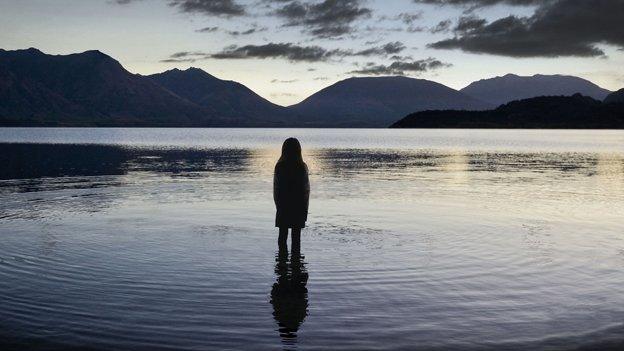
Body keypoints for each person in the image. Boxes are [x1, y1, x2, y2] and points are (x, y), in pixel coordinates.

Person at [273, 138, 310, 253]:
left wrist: (278, 207)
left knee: (282, 237)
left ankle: (281, 266)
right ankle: (296, 267)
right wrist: (305, 211)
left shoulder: (280, 166)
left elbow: (276, 189)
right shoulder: (301, 166)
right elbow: (305, 190)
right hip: (298, 207)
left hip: (283, 206)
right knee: (296, 239)